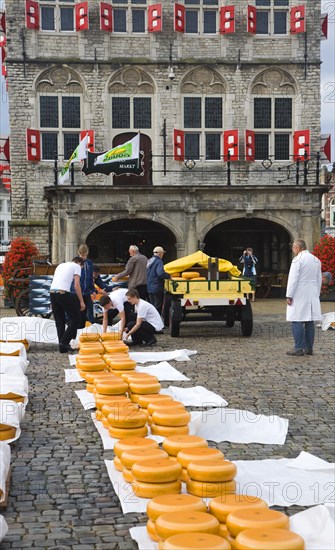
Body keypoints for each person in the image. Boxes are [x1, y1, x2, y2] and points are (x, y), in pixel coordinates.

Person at [286, 238, 322, 356]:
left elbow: (293, 279)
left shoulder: (297, 260)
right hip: (312, 292)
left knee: (297, 320)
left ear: (299, 247)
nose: (292, 249)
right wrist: (316, 293)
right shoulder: (316, 260)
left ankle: (299, 347)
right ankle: (309, 347)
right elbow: (319, 279)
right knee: (309, 321)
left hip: (299, 292)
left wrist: (289, 295)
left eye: (293, 247)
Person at [50, 257, 85, 353]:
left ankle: (62, 347)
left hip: (52, 293)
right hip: (63, 293)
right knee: (76, 318)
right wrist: (81, 301)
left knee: (59, 321)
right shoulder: (77, 266)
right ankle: (64, 341)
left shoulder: (61, 265)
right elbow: (76, 285)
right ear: (80, 264)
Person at [71, 244, 95, 326]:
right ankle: (77, 328)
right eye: (82, 255)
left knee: (89, 311)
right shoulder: (75, 263)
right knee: (78, 312)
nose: (83, 257)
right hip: (77, 292)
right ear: (79, 253)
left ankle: (91, 327)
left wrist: (93, 289)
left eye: (85, 255)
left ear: (87, 254)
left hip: (87, 291)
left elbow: (91, 277)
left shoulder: (89, 263)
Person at [147, 246, 171, 314]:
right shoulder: (159, 261)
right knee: (158, 307)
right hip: (157, 287)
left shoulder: (149, 261)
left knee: (152, 306)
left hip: (149, 287)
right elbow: (160, 273)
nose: (163, 255)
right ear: (160, 253)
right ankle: (157, 323)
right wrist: (168, 276)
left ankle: (152, 322)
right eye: (162, 253)